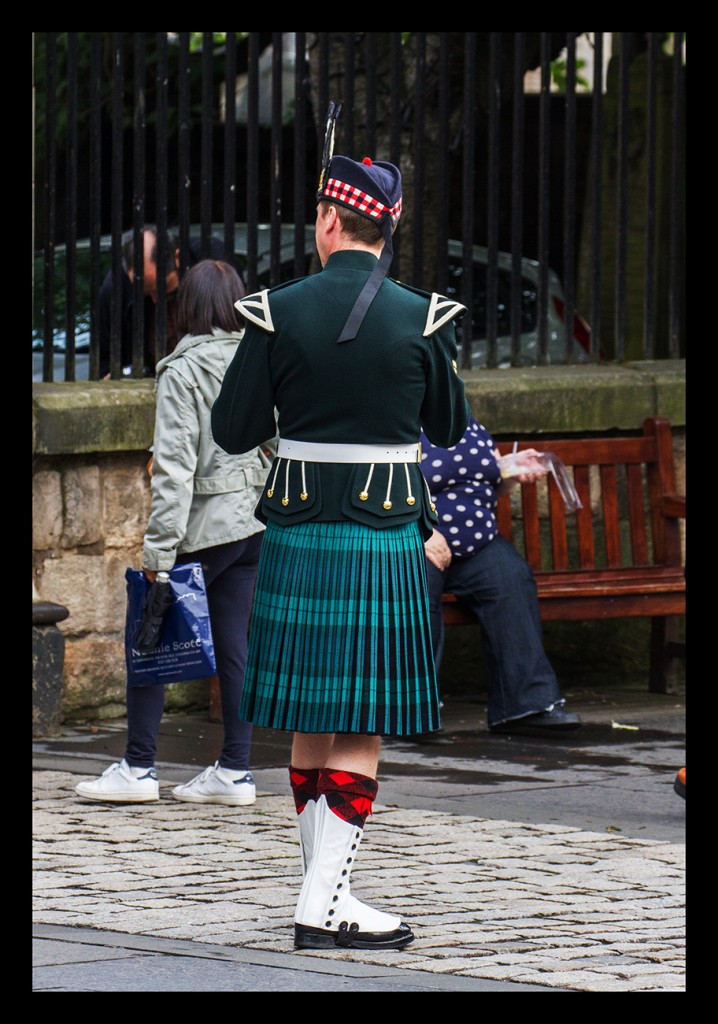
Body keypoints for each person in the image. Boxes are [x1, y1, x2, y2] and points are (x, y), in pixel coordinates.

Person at [211, 118, 470, 951]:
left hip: (294, 526)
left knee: (313, 721)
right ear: (385, 224)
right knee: (358, 721)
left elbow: (232, 426)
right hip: (385, 525)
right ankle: (321, 905)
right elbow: (450, 421)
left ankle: (327, 894)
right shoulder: (422, 316)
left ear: (329, 218)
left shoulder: (274, 311)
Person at [76, 259, 275, 806]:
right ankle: (235, 770)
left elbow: (174, 470)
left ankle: (139, 767)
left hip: (206, 527)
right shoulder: (259, 359)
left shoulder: (182, 371)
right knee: (237, 647)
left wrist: (158, 556)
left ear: (186, 305)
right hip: (255, 524)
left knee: (149, 630)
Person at [420, 416, 582, 734]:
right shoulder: (391, 418)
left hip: (477, 542)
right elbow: (375, 484)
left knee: (511, 578)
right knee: (416, 587)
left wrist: (510, 469)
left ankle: (524, 707)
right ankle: (413, 709)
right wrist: (420, 531)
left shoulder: (464, 419)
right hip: (416, 540)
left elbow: (486, 483)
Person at [97, 225, 229, 379]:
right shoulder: (115, 289)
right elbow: (104, 364)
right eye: (145, 293)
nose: (155, 299)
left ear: (177, 257)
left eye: (163, 288)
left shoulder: (211, 260)